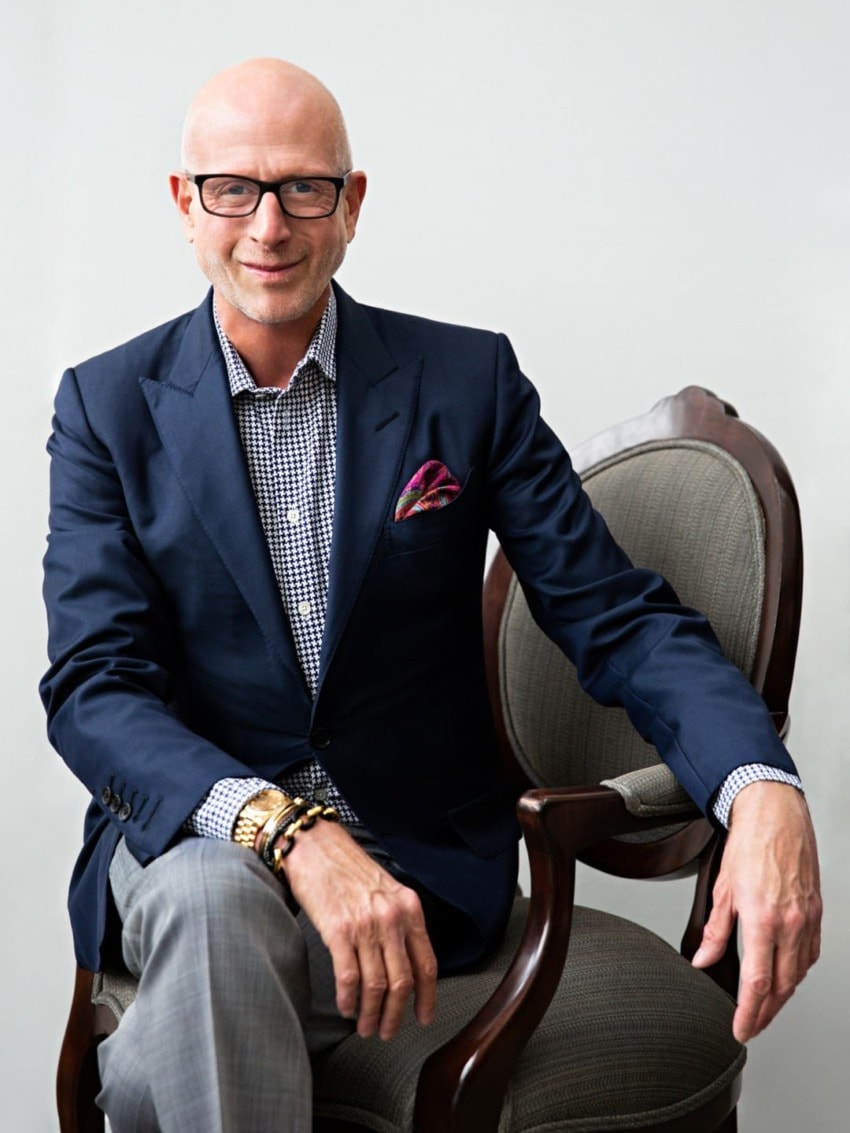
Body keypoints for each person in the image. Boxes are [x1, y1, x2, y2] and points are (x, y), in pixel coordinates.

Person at [41, 57, 821, 1132]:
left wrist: (762, 784)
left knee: (193, 1003)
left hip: (419, 872)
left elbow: (617, 615)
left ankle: (151, 1069)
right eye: (231, 188)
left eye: (303, 187)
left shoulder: (465, 382)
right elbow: (95, 688)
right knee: (213, 901)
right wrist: (291, 832)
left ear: (351, 202)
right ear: (185, 203)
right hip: (194, 842)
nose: (268, 226)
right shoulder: (105, 407)